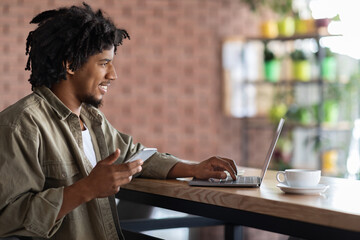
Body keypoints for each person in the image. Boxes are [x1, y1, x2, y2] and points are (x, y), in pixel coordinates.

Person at [0, 3, 237, 240]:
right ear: (70, 64)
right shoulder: (21, 125)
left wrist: (193, 169)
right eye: (103, 63)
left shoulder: (92, 120)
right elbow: (7, 219)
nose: (113, 75)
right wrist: (86, 189)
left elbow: (137, 156)